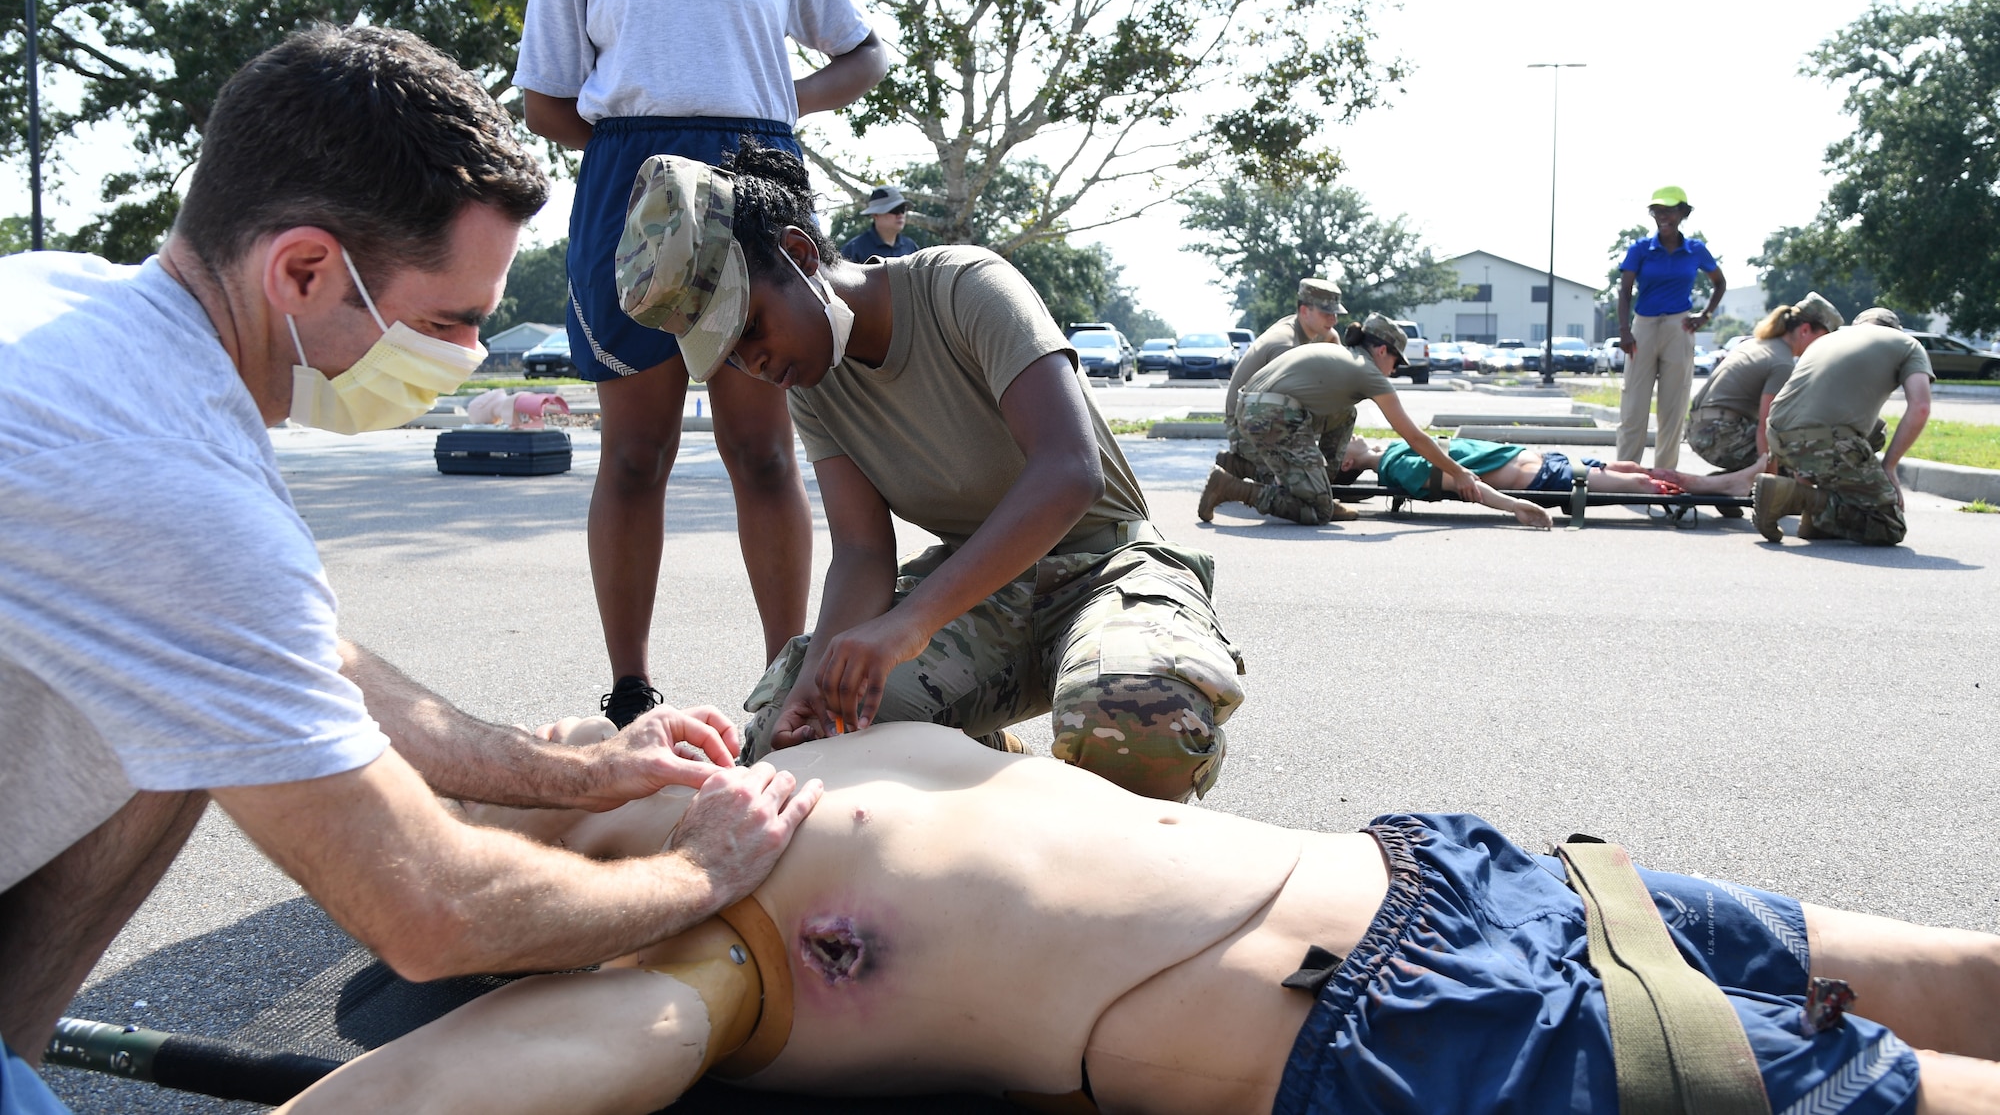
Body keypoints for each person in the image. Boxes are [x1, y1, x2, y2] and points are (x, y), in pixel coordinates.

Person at [0, 29, 823, 1111]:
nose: (465, 359)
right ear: (301, 268)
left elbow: (303, 662)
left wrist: (581, 774)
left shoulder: (65, 310)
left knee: (192, 726)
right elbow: (430, 912)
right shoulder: (172, 493)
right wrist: (700, 872)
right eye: (446, 321)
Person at [283, 720, 2000, 1115]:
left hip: (1485, 874)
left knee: (1971, 974)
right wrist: (667, 886)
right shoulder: (702, 953)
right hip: (1421, 1032)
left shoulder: (802, 749)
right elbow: (418, 1095)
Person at [615, 144, 1243, 801]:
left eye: (751, 330)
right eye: (731, 358)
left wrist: (908, 625)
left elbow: (1069, 471)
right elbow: (861, 552)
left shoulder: (963, 285)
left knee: (1132, 719)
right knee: (792, 743)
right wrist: (815, 682)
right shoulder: (812, 384)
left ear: (801, 256)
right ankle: (979, 757)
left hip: (1109, 569)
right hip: (977, 593)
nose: (754, 365)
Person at [514, 0, 889, 727]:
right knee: (632, 455)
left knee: (760, 451)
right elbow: (544, 98)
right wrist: (655, 170)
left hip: (758, 177)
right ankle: (631, 689)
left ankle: (781, 680)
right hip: (629, 184)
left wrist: (774, 106)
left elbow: (862, 53)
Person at [1198, 316, 1482, 526]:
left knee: (1346, 412)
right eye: (1397, 363)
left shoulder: (1344, 355)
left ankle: (1246, 467)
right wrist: (1458, 473)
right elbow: (1413, 436)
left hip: (1257, 411)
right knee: (1317, 512)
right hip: (1272, 416)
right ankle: (1230, 487)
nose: (1394, 372)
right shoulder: (1366, 371)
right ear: (1382, 350)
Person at [1754, 307, 1934, 545]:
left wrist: (1802, 474)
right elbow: (1920, 407)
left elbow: (1804, 406)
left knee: (1875, 432)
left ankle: (1816, 518)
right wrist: (1889, 467)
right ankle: (1803, 500)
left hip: (1778, 436)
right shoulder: (1907, 344)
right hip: (1825, 439)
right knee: (1889, 526)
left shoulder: (1826, 340)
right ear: (1895, 329)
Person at [1336, 437, 1762, 529]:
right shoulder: (1397, 467)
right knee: (1650, 485)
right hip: (1542, 476)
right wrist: (1516, 507)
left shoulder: (1398, 445)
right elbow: (1461, 484)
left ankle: (1726, 487)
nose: (1349, 437)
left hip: (1545, 460)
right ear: (1350, 463)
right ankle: (1730, 487)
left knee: (1632, 466)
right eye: (1342, 446)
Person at [1615, 186, 1727, 471]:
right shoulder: (1641, 249)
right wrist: (1625, 330)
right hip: (1644, 326)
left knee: (1673, 407)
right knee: (1633, 406)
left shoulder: (1695, 250)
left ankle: (1664, 475)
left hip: (1679, 326)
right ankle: (1626, 474)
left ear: (1682, 213)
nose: (1663, 216)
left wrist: (1705, 315)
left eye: (1669, 210)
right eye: (1658, 211)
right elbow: (1625, 291)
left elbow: (1719, 283)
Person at [1686, 292, 1844, 473]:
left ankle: (1729, 483)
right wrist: (1771, 483)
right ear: (1805, 330)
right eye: (1822, 338)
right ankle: (1732, 485)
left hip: (1700, 431)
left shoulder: (1755, 344)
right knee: (1804, 460)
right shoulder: (1781, 363)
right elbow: (1766, 429)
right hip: (1720, 438)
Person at [1216, 278, 1346, 479]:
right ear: (1305, 311)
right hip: (1246, 430)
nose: (1333, 320)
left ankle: (1326, 480)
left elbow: (1332, 337)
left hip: (1264, 420)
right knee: (1293, 484)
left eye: (1335, 313)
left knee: (1344, 411)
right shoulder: (1286, 345)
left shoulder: (1302, 325)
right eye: (1326, 313)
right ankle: (1242, 466)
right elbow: (1288, 411)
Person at [837, 185, 918, 263]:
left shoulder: (911, 247)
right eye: (895, 210)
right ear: (875, 214)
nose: (900, 215)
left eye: (903, 210)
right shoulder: (854, 249)